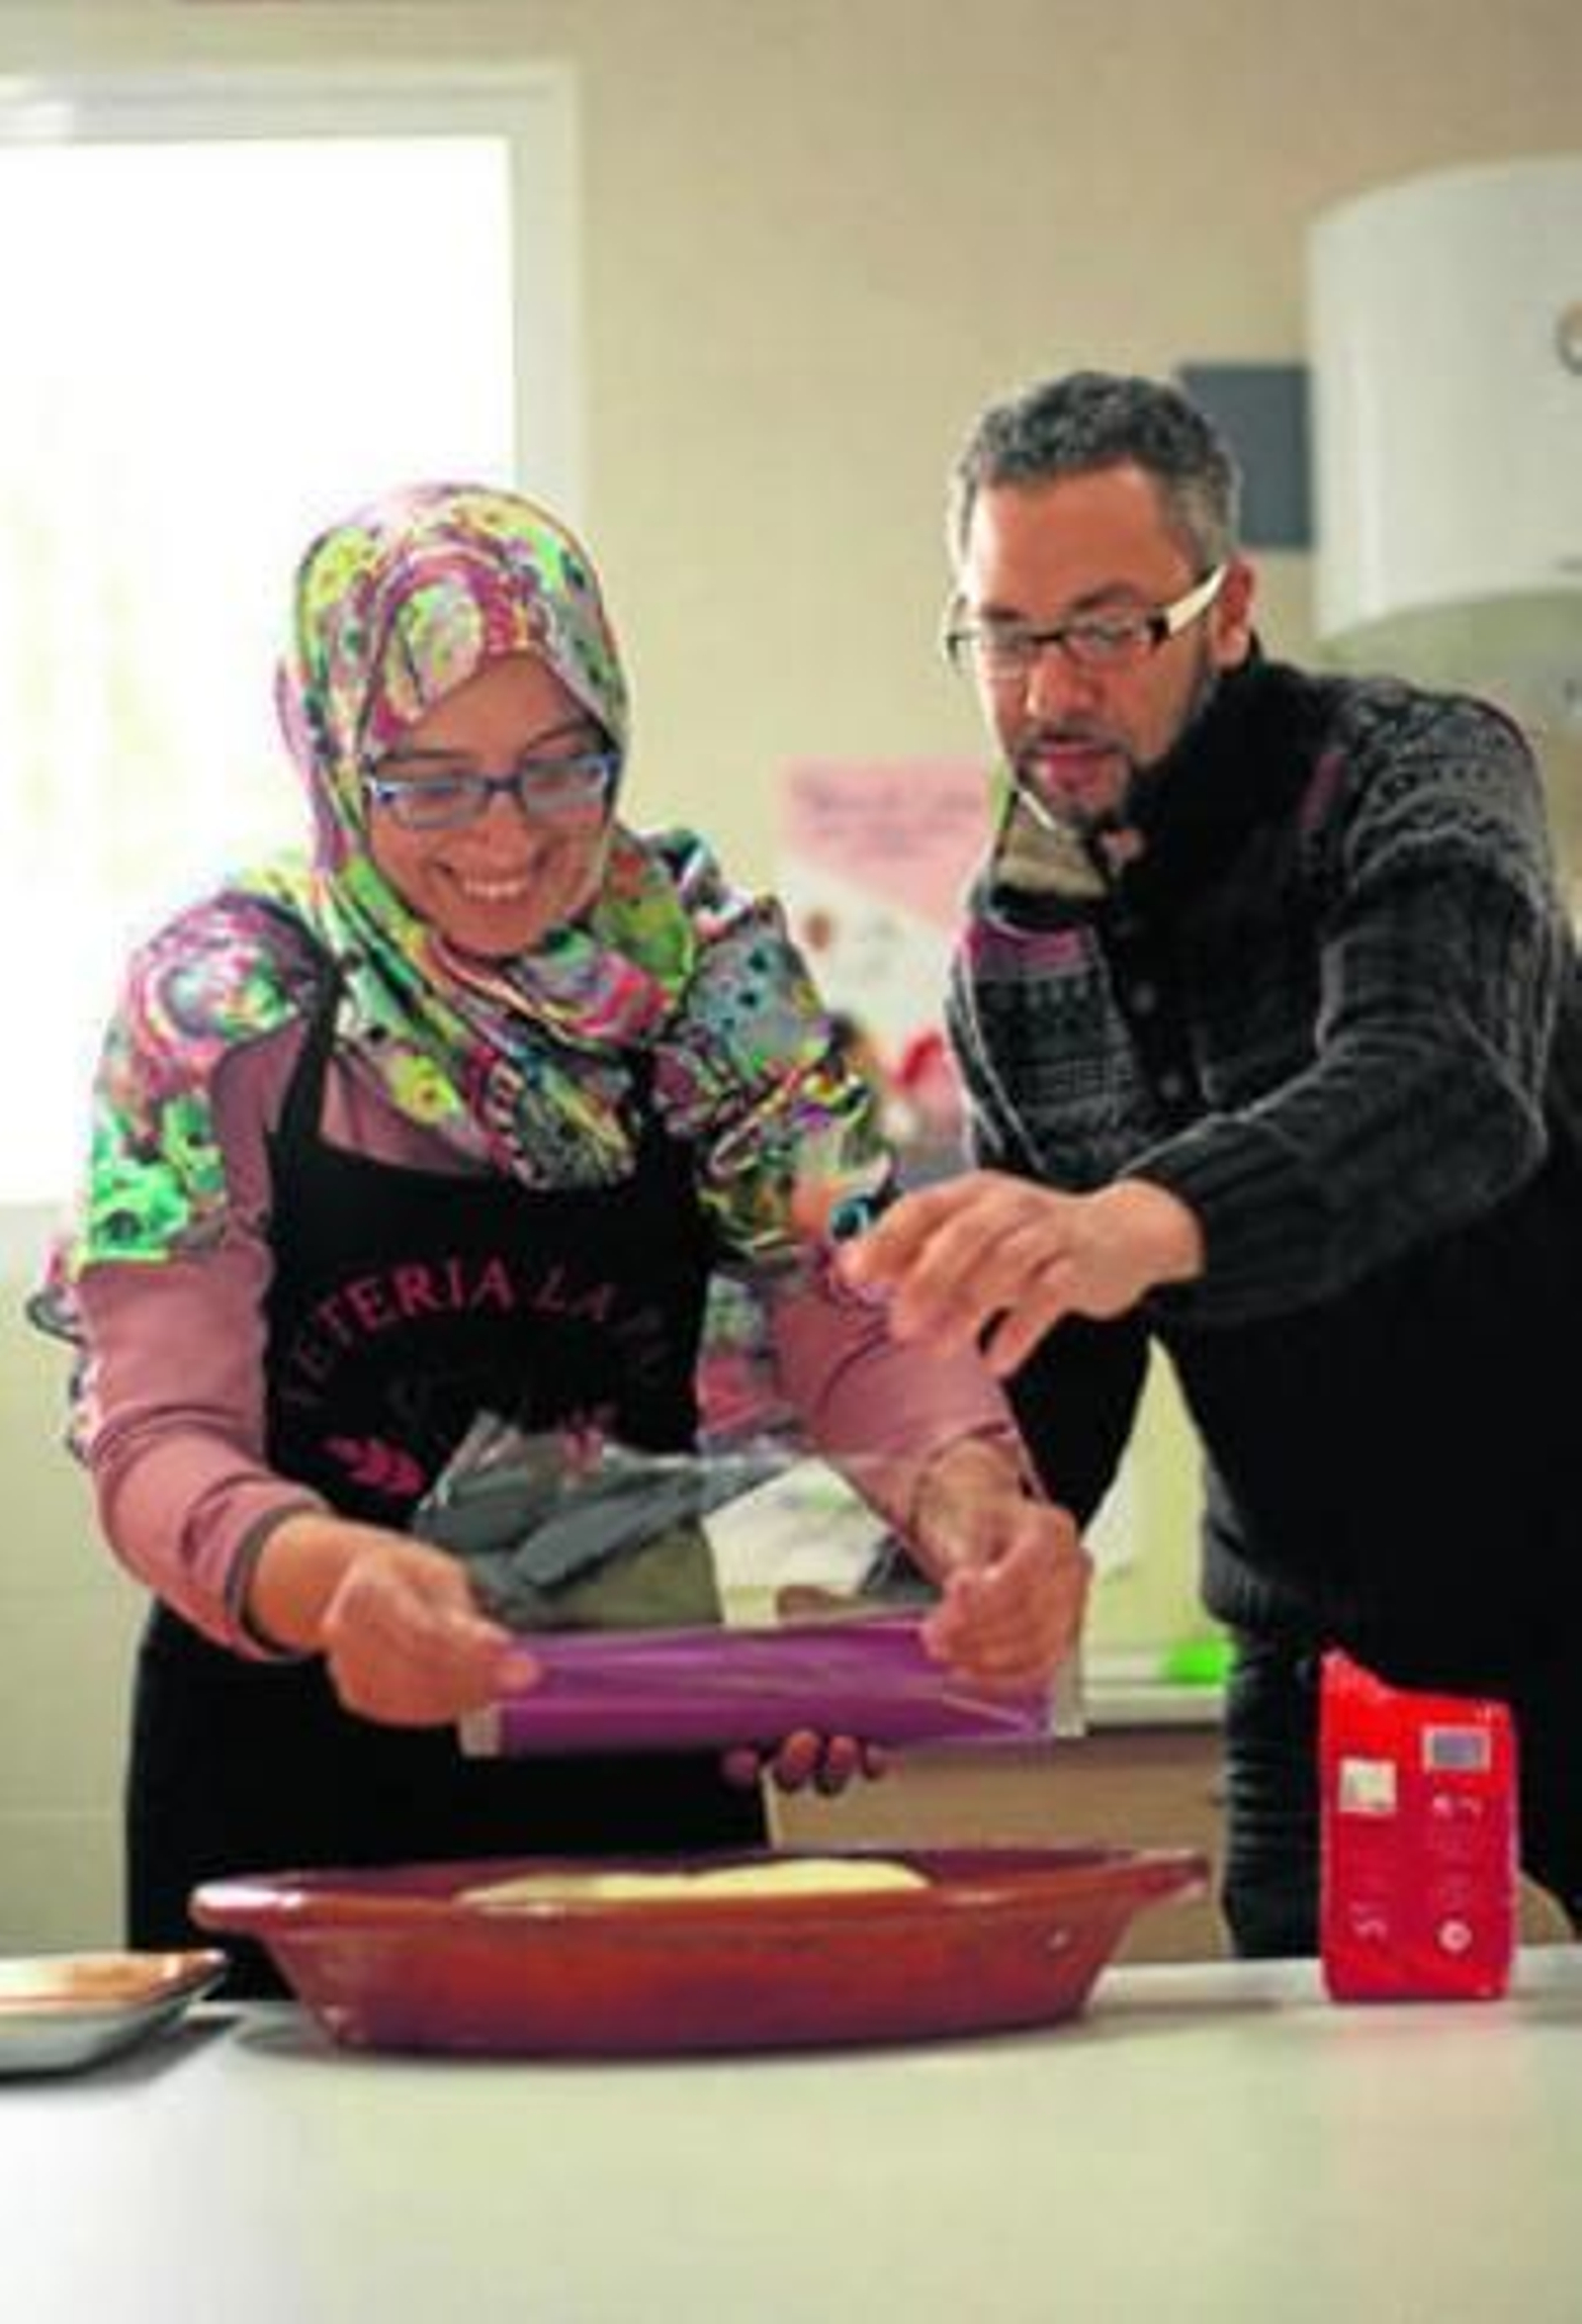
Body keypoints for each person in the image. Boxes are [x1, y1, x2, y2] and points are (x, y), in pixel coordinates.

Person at [33, 483, 1087, 1991]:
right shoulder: (226, 1012)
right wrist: (334, 1578)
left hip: (626, 1752)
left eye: (554, 767)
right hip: (285, 1775)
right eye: (430, 781)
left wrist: (972, 1509)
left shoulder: (711, 980)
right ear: (336, 761)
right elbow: (157, 1435)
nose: (507, 837)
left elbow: (853, 1308)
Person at [838, 369, 1582, 1956]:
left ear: (1226, 606)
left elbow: (1445, 1083)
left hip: (1574, 1576)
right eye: (1008, 635)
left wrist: (1140, 1218)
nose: (1052, 693)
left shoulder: (1420, 771)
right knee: (1323, 2130)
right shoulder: (1008, 952)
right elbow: (1063, 1358)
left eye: (1110, 627)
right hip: (1320, 1651)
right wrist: (912, 1593)